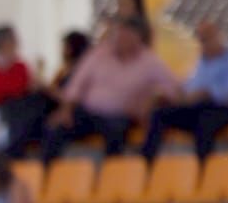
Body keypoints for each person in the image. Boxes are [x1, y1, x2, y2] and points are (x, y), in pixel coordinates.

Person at [41, 17, 178, 162]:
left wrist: (154, 98)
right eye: (119, 35)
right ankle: (45, 175)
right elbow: (77, 84)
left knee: (115, 131)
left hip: (120, 115)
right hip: (88, 112)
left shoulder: (150, 61)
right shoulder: (99, 54)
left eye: (126, 35)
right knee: (54, 127)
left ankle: (111, 179)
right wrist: (66, 109)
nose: (120, 39)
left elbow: (174, 89)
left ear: (137, 38)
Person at [141, 19, 228, 160]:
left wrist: (208, 93)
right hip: (197, 108)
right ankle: (146, 162)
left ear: (219, 36)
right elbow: (188, 89)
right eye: (201, 38)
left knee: (204, 123)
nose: (204, 42)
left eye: (208, 37)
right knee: (160, 115)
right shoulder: (199, 65)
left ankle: (203, 168)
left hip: (224, 109)